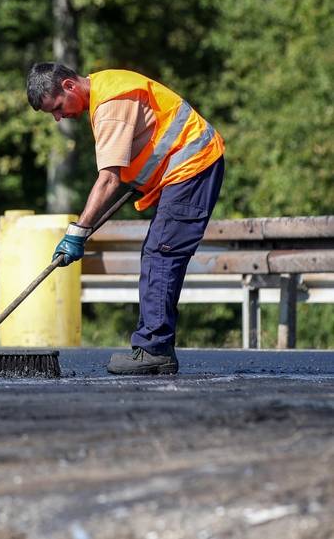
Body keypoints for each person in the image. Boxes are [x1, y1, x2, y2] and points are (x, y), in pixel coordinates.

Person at [26, 63, 225, 375]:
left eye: (58, 108)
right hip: (185, 169)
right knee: (157, 253)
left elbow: (108, 180)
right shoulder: (108, 87)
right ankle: (155, 347)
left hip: (192, 167)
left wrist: (78, 231)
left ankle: (154, 350)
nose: (59, 117)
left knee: (161, 254)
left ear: (69, 85)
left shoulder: (110, 106)